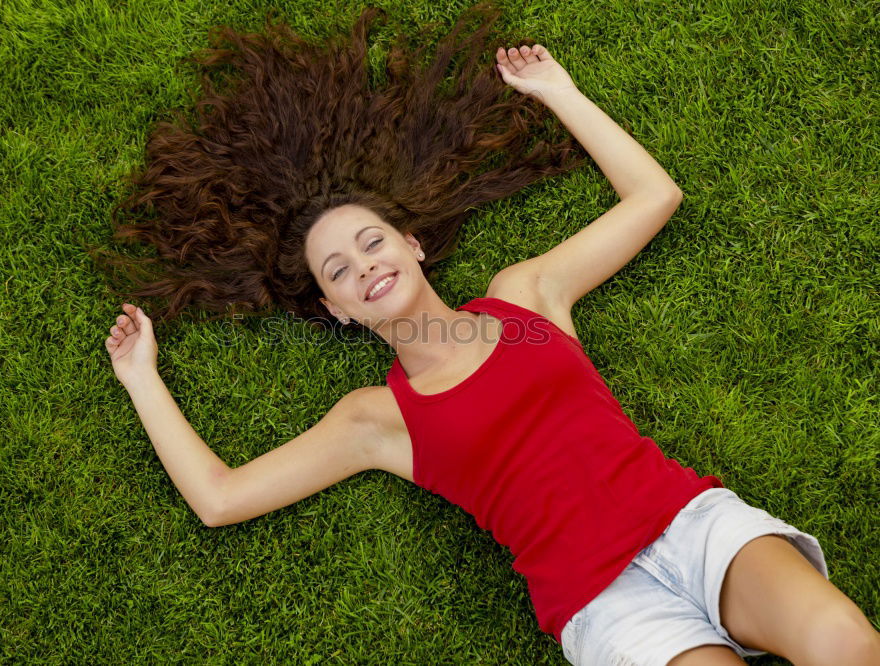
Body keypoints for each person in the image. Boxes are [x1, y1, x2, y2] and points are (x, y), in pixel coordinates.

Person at [96, 4, 880, 665]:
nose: (363, 267)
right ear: (337, 310)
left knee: (843, 639)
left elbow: (653, 195)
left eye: (372, 242)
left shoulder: (526, 299)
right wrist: (142, 377)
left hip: (684, 521)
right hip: (599, 598)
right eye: (337, 271)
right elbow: (220, 498)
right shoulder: (376, 420)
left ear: (413, 244)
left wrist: (556, 90)